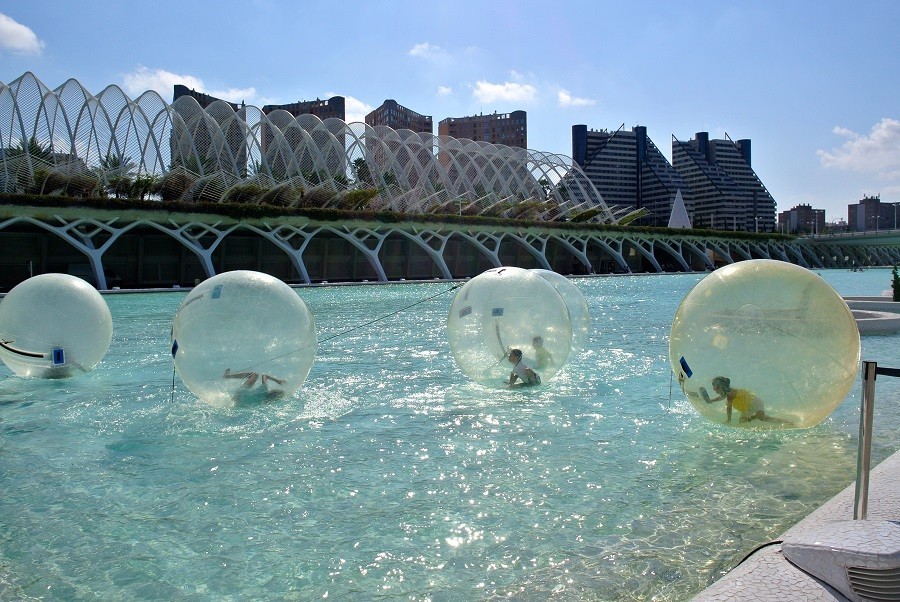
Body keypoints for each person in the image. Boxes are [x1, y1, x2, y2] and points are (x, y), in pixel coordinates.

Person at [700, 376, 793, 425]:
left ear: (721, 387)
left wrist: (728, 420)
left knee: (763, 418)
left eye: (715, 387)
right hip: (747, 408)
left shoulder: (731, 393)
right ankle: (754, 417)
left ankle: (787, 422)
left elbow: (729, 408)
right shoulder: (726, 393)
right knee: (742, 421)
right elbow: (721, 397)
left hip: (754, 402)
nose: (713, 389)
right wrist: (711, 400)